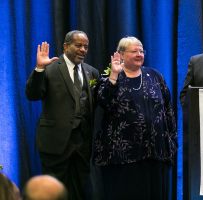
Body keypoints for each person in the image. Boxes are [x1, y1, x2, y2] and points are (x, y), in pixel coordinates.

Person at [92, 36, 177, 200]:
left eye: (141, 50)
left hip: (156, 154)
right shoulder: (111, 78)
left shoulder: (154, 76)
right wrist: (114, 77)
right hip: (123, 158)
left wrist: (171, 140)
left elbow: (168, 109)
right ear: (121, 54)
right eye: (134, 51)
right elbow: (104, 102)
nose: (139, 54)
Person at [26, 30, 99, 200]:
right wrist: (39, 69)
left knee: (80, 190)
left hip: (82, 145)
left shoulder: (92, 72)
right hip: (55, 143)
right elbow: (32, 94)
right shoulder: (50, 68)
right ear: (66, 46)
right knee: (52, 192)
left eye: (86, 46)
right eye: (78, 45)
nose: (83, 50)